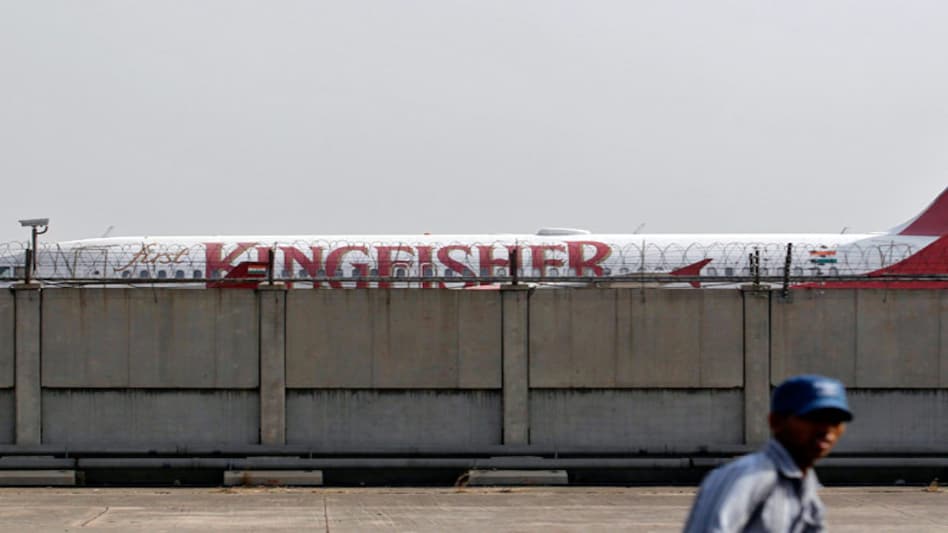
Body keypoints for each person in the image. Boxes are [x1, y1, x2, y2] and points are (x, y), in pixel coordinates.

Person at [683, 374, 853, 532]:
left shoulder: (805, 487)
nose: (826, 429)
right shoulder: (748, 476)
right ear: (775, 422)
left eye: (835, 421)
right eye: (813, 418)